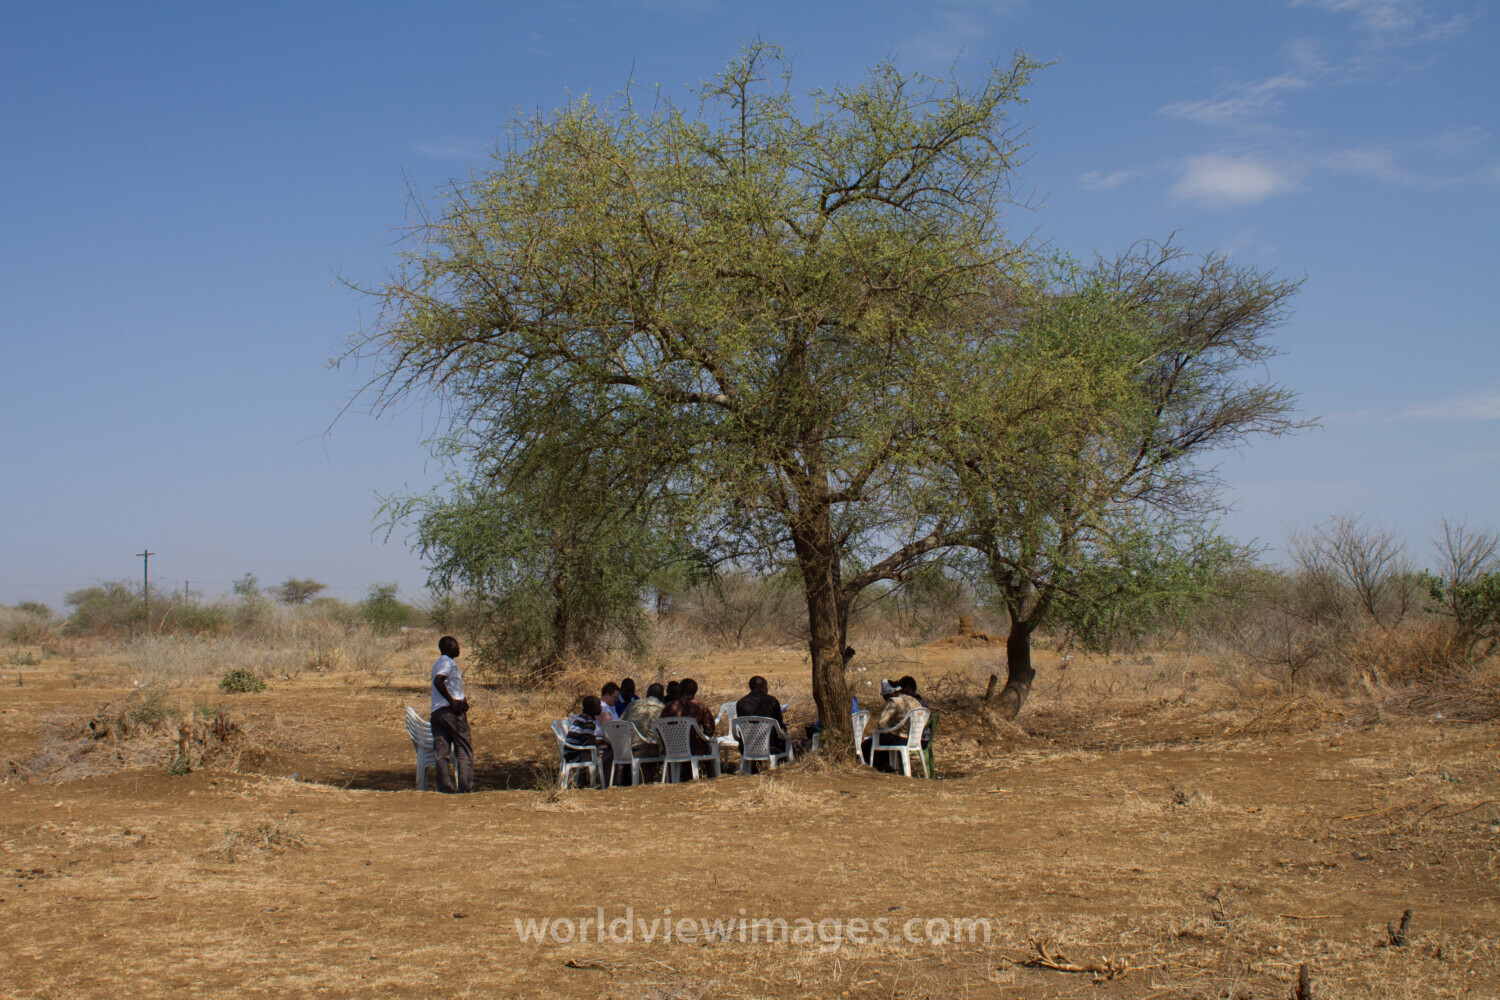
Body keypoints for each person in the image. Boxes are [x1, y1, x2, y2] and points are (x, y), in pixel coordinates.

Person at [429, 635, 473, 793]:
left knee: (441, 751)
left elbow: (450, 684)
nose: (459, 648)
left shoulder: (439, 663)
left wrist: (463, 699)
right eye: (456, 646)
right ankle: (465, 787)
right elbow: (439, 681)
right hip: (450, 713)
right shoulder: (447, 663)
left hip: (437, 713)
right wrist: (452, 702)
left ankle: (445, 787)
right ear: (447, 648)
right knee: (463, 748)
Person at [868, 675, 925, 772]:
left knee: (869, 744)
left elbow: (881, 724)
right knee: (884, 738)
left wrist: (891, 728)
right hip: (914, 738)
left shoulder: (895, 701)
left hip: (901, 738)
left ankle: (884, 768)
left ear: (889, 694)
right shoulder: (914, 701)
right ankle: (888, 767)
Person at [661, 677, 715, 756]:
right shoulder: (700, 706)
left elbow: (660, 727)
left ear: (680, 690)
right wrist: (702, 739)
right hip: (694, 749)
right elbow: (709, 729)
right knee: (709, 750)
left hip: (672, 748)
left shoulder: (669, 706)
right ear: (695, 691)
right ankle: (708, 768)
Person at [735, 675, 787, 753]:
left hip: (746, 747)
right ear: (763, 686)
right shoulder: (772, 701)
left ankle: (752, 764)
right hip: (770, 746)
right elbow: (779, 725)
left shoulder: (741, 703)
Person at [621, 682, 667, 750]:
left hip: (626, 748)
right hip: (648, 749)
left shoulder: (633, 704)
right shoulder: (662, 708)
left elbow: (620, 722)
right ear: (662, 696)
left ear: (647, 693)